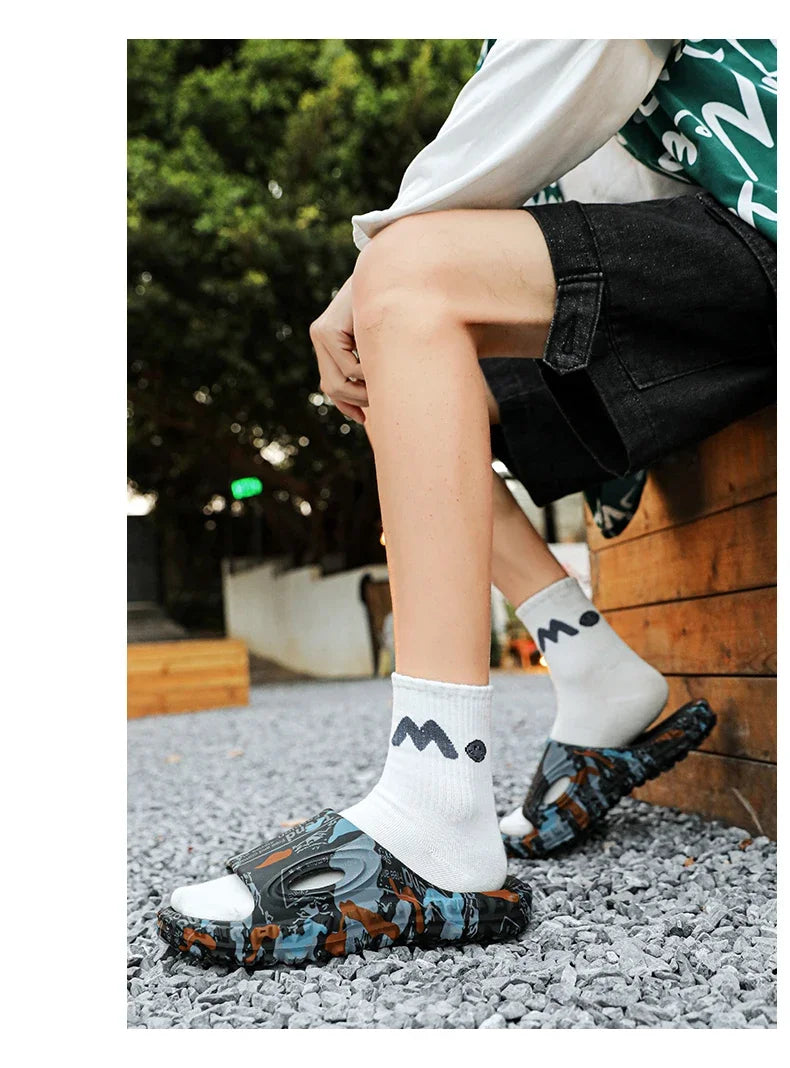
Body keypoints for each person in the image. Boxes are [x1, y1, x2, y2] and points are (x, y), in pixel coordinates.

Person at [158, 38, 776, 966]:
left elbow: (592, 41)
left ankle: (435, 801)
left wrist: (376, 269)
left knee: (409, 279)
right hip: (706, 256)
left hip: (759, 225)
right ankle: (586, 658)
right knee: (391, 376)